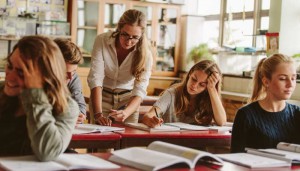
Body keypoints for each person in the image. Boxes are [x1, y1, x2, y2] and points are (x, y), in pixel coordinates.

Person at [0, 36, 79, 161]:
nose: (10, 77)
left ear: (46, 75)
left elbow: (47, 152)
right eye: (9, 66)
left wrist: (34, 93)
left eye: (22, 72)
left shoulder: (67, 106)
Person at [88, 9, 153, 126]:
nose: (129, 41)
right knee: (99, 141)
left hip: (128, 101)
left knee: (128, 142)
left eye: (135, 37)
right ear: (119, 28)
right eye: (125, 35)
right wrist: (98, 114)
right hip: (102, 97)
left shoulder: (146, 54)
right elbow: (95, 77)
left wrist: (126, 113)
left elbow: (140, 89)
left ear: (141, 36)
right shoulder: (102, 40)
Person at [231, 53, 300, 153]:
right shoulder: (246, 115)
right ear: (266, 81)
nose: (290, 84)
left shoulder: (297, 114)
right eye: (283, 79)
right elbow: (235, 156)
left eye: (293, 78)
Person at [142, 60, 227, 127]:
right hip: (170, 144)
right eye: (194, 79)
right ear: (190, 74)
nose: (194, 85)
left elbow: (222, 122)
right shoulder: (172, 94)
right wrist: (151, 121)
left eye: (202, 84)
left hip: (197, 146)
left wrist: (212, 89)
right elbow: (148, 115)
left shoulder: (209, 99)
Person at [54, 38, 86, 124]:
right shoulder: (37, 79)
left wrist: (80, 115)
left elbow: (80, 106)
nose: (70, 77)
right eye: (65, 72)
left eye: (74, 71)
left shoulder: (73, 77)